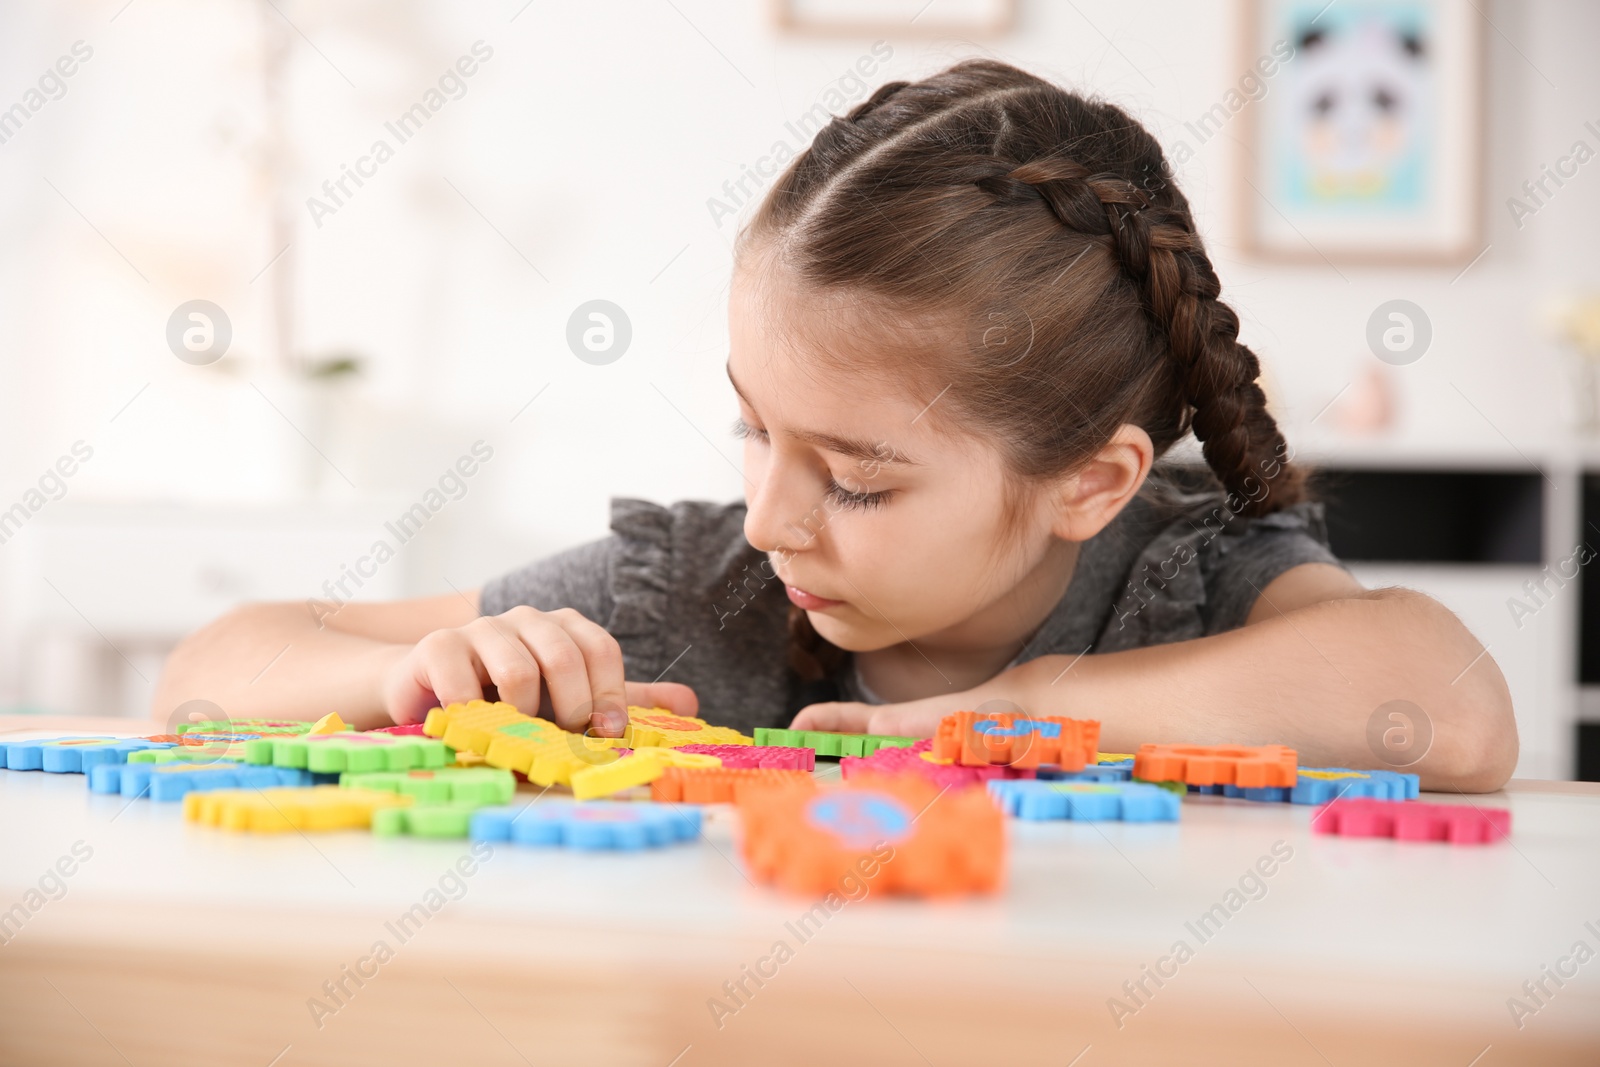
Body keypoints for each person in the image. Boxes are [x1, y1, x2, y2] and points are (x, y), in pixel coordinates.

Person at [155, 60, 1515, 791]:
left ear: (1091, 485)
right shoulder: (707, 595)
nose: (769, 518)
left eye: (858, 482)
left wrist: (1017, 713)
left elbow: (1451, 710)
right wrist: (438, 667)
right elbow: (206, 678)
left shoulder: (1189, 583)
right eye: (755, 431)